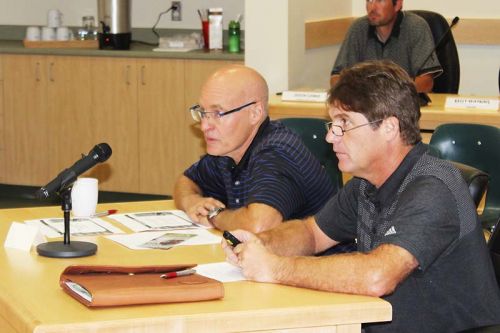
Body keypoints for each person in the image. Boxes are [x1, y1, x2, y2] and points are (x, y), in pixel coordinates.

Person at [223, 60, 500, 332]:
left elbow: (377, 276)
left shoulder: (433, 188)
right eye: (333, 124)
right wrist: (260, 244)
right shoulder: (366, 182)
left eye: (344, 124)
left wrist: (275, 268)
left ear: (389, 128)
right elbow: (312, 233)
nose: (332, 137)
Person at [174, 65, 335, 233]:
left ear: (255, 113)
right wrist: (192, 201)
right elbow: (186, 181)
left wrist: (215, 215)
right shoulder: (229, 149)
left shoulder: (278, 152)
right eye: (203, 112)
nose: (204, 125)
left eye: (218, 113)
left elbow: (258, 225)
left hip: (318, 258)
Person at [330, 0, 442, 93]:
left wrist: (389, 93)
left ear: (397, 4)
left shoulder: (416, 27)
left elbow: (426, 82)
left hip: (406, 107)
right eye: (369, 1)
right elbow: (337, 78)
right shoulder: (358, 28)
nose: (372, 7)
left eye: (379, 1)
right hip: (367, 107)